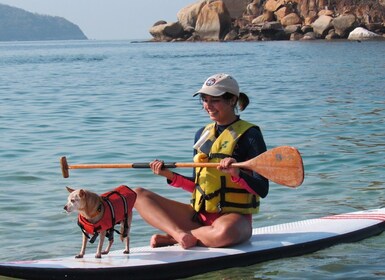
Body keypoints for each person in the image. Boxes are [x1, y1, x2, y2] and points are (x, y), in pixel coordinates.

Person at [134, 73, 269, 249]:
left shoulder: (251, 135)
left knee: (225, 233)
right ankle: (179, 234)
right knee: (137, 195)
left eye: (214, 100)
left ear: (232, 100)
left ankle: (174, 239)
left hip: (233, 220)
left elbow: (262, 188)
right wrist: (168, 175)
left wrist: (237, 174)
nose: (208, 106)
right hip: (197, 217)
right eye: (205, 100)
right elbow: (197, 185)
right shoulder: (202, 134)